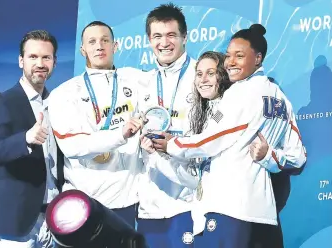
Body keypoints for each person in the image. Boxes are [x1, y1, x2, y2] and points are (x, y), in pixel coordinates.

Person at [161, 24, 307, 248]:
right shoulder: (281, 99)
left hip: (230, 213)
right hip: (266, 216)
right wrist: (270, 156)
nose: (230, 62)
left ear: (257, 58)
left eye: (239, 56)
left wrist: (171, 144)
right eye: (228, 56)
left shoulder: (240, 92)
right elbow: (298, 157)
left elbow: (209, 140)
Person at [48, 21, 145, 228]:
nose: (99, 46)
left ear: (115, 46)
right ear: (83, 49)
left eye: (105, 40)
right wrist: (120, 134)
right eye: (92, 42)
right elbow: (72, 146)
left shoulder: (136, 80)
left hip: (129, 201)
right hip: (86, 203)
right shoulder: (64, 93)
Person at [0, 30, 64, 248]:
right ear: (21, 61)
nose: (40, 63)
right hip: (16, 220)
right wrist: (26, 139)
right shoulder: (3, 102)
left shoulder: (58, 103)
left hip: (54, 217)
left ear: (55, 62)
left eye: (46, 57)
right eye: (33, 57)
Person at [136, 4, 198, 247]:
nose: (164, 43)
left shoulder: (203, 76)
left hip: (191, 200)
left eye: (171, 35)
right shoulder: (143, 82)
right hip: (151, 205)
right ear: (149, 40)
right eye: (157, 36)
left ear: (185, 36)